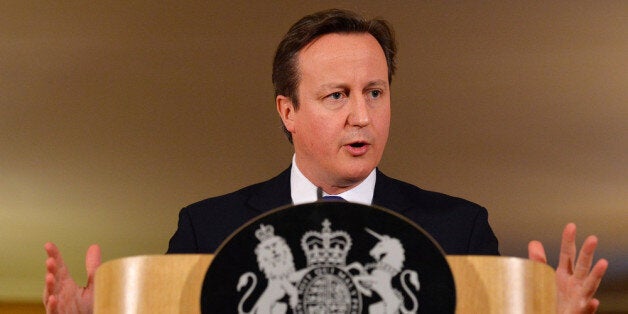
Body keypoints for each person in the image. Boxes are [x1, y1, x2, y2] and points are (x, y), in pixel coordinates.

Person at [44, 8, 608, 314]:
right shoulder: (207, 228)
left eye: (376, 92)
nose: (362, 115)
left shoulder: (459, 229)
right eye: (337, 95)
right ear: (287, 110)